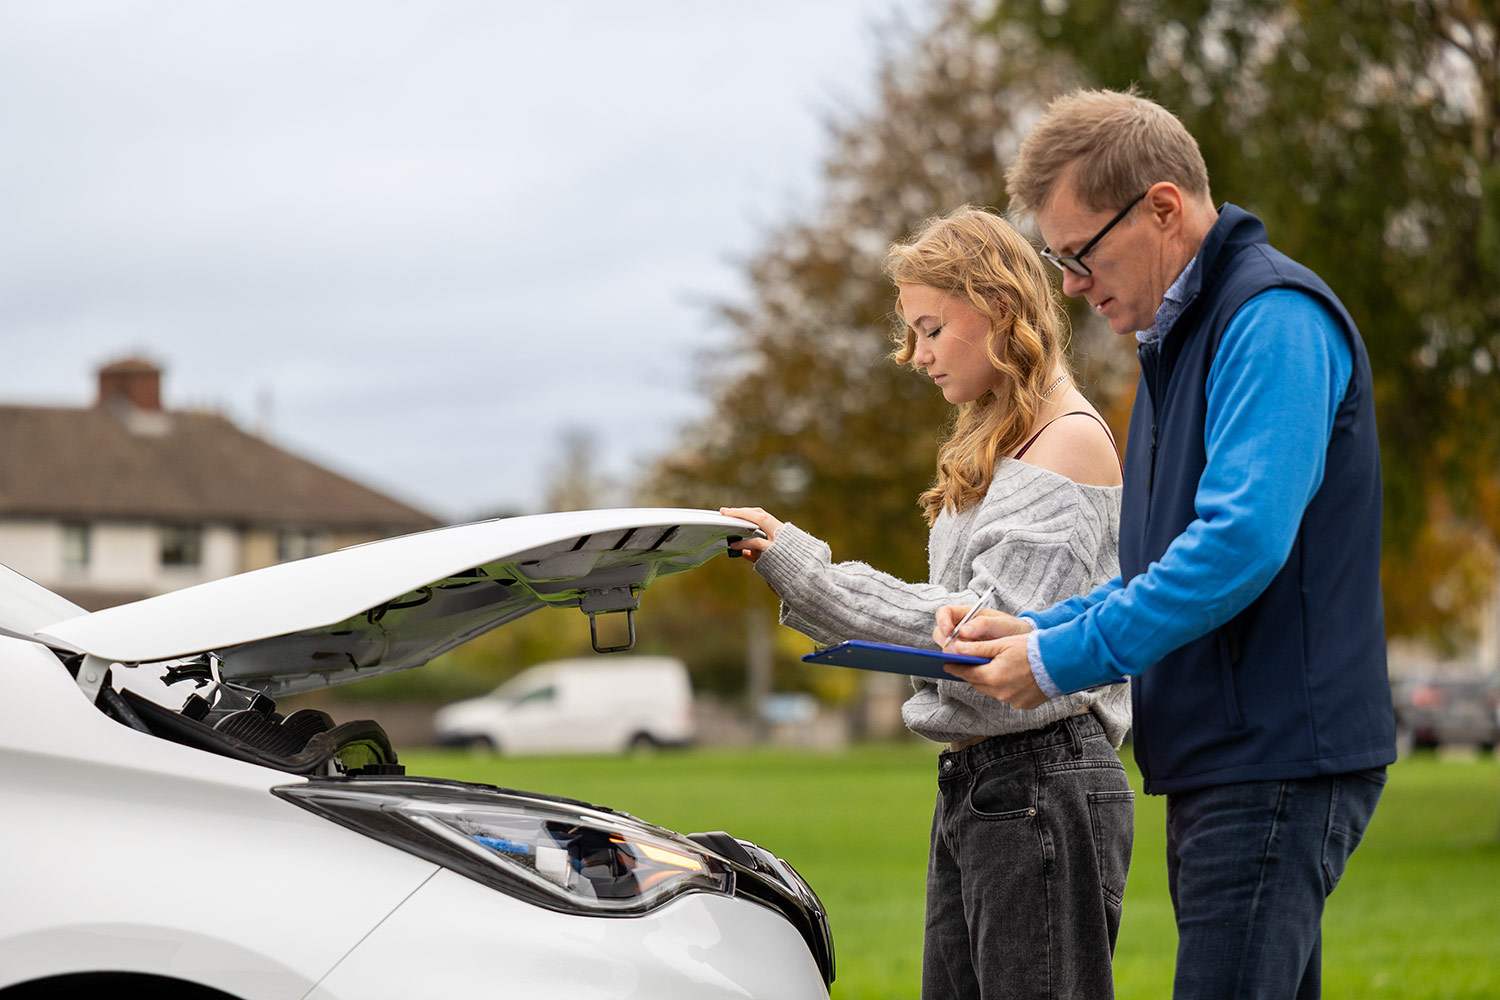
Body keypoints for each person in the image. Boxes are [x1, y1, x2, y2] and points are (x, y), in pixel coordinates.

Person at [934, 89, 1395, 1000]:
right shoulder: (1175, 343)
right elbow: (1162, 565)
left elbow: (1238, 545)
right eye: (1059, 260)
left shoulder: (1272, 319)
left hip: (1276, 757)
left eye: (1081, 253)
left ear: (1162, 208)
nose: (1071, 283)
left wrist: (1059, 661)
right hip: (1230, 758)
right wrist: (1037, 631)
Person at [720, 206, 1134, 1000]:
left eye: (931, 329)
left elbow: (979, 637)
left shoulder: (1068, 444)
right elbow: (956, 613)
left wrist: (807, 572)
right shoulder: (1007, 442)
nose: (916, 356)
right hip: (987, 783)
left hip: (1041, 782)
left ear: (998, 309)